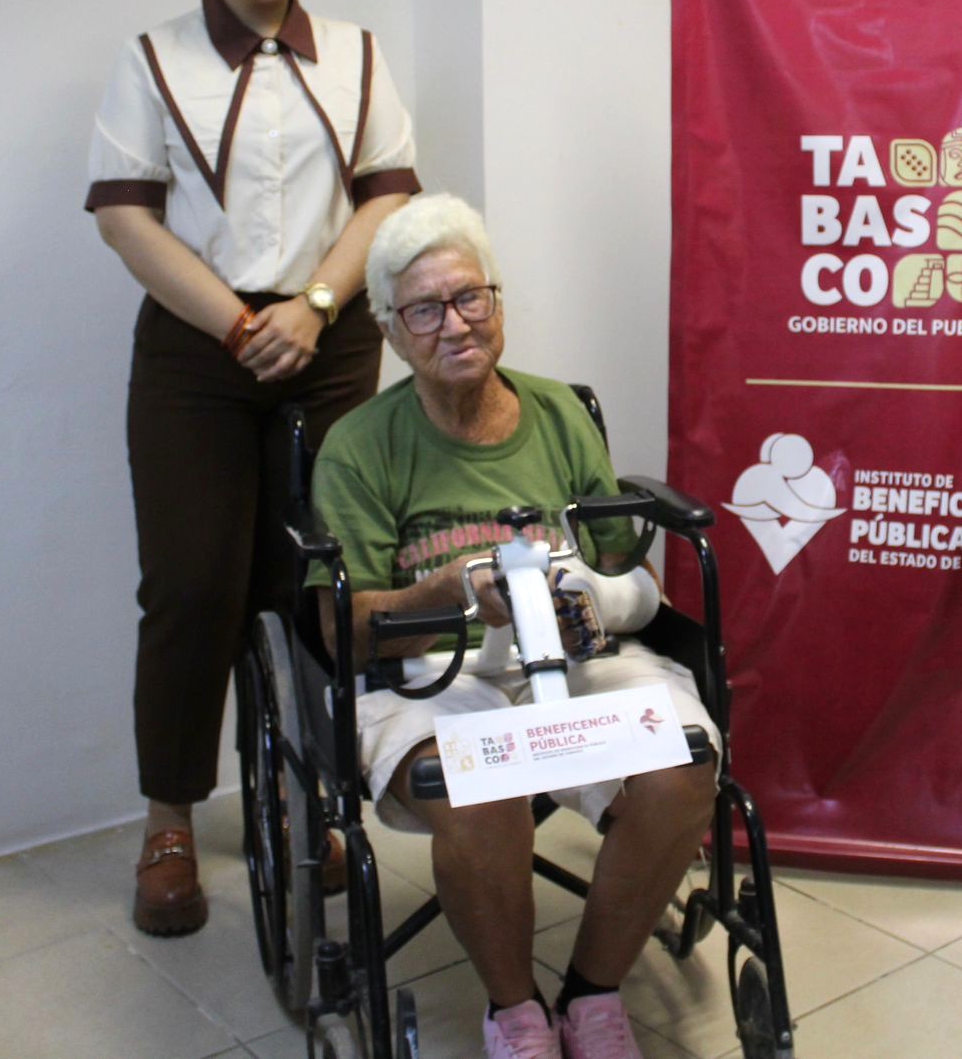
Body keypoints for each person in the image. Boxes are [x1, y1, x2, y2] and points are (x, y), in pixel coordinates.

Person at [86, 0, 420, 936]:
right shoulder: (154, 58)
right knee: (192, 588)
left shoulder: (358, 55)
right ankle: (170, 824)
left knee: (311, 586)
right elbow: (125, 217)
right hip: (198, 348)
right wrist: (237, 323)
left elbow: (385, 199)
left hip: (331, 339)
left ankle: (298, 796)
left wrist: (314, 307)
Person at [308, 194, 719, 1059]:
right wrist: (452, 590)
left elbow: (624, 573)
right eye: (425, 310)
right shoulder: (359, 445)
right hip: (432, 674)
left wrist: (589, 599)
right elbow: (347, 633)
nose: (456, 324)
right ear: (390, 331)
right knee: (479, 783)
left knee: (681, 770)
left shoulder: (560, 413)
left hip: (573, 654)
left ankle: (593, 996)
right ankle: (516, 1014)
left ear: (498, 302)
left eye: (470, 297)